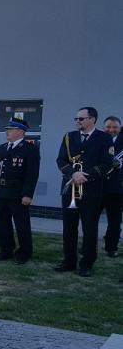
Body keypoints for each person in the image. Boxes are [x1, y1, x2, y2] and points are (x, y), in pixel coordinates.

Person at [55, 106, 114, 276]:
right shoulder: (69, 137)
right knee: (69, 227)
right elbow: (61, 160)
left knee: (89, 228)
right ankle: (69, 260)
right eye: (76, 118)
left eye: (81, 118)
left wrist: (85, 175)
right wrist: (73, 173)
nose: (77, 121)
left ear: (92, 119)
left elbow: (107, 163)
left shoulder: (104, 138)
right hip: (70, 188)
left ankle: (87, 264)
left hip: (91, 189)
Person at [0, 116, 40, 265]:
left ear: (21, 131)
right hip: (1, 191)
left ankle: (24, 252)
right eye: (7, 129)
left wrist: (27, 194)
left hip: (18, 193)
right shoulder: (1, 148)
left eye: (11, 129)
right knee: (3, 224)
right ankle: (6, 250)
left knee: (21, 225)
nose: (7, 132)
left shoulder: (30, 149)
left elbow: (32, 174)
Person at [102, 116, 122, 258]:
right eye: (108, 127)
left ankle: (111, 247)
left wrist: (120, 165)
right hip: (98, 187)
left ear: (120, 128)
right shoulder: (98, 140)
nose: (111, 130)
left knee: (115, 222)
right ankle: (88, 246)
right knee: (90, 220)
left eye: (115, 127)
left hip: (116, 188)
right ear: (103, 128)